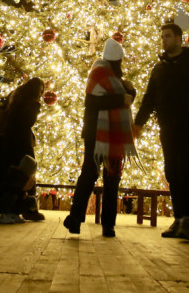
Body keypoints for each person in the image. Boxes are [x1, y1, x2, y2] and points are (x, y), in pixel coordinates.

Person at [133, 23, 189, 242]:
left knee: (187, 171)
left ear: (179, 38)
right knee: (172, 172)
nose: (164, 40)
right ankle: (179, 218)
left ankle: (187, 219)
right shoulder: (160, 68)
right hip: (168, 127)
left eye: (168, 36)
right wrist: (138, 123)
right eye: (162, 37)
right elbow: (149, 98)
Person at [63, 38, 136, 238]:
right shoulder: (100, 74)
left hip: (107, 134)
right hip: (98, 133)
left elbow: (127, 96)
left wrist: (128, 92)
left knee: (95, 175)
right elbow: (95, 103)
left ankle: (79, 219)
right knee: (103, 176)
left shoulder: (112, 77)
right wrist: (122, 97)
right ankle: (98, 223)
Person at [0, 76, 46, 221]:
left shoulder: (14, 96)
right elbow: (28, 121)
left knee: (6, 172)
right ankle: (24, 208)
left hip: (5, 140)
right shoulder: (29, 103)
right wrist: (36, 106)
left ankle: (4, 206)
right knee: (23, 172)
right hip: (20, 142)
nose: (40, 94)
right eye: (40, 91)